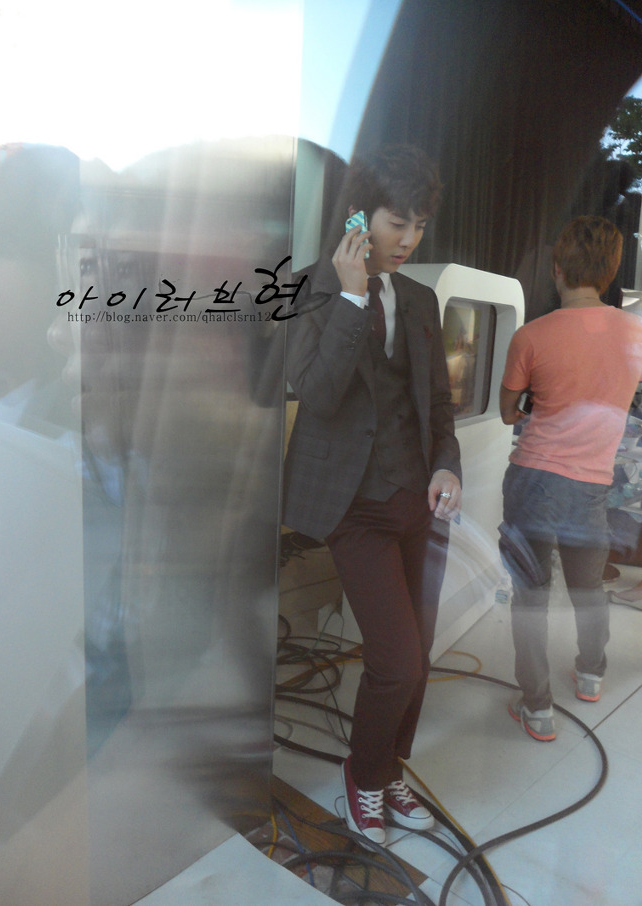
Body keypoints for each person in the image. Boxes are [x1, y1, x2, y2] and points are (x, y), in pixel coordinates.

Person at [282, 145, 462, 844]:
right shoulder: (309, 287)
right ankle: (363, 774)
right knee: (396, 659)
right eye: (397, 222)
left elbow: (437, 405)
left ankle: (388, 768)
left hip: (416, 500)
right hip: (351, 505)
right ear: (360, 217)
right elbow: (317, 394)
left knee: (418, 651)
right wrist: (353, 296)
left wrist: (446, 467)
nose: (409, 239)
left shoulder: (419, 298)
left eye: (419, 225)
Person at [499, 215, 642, 741]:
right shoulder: (635, 334)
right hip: (590, 485)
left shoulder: (531, 335)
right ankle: (590, 674)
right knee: (588, 589)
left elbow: (507, 413)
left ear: (557, 268)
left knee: (530, 595)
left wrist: (531, 404)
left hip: (533, 481)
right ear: (609, 272)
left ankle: (537, 707)